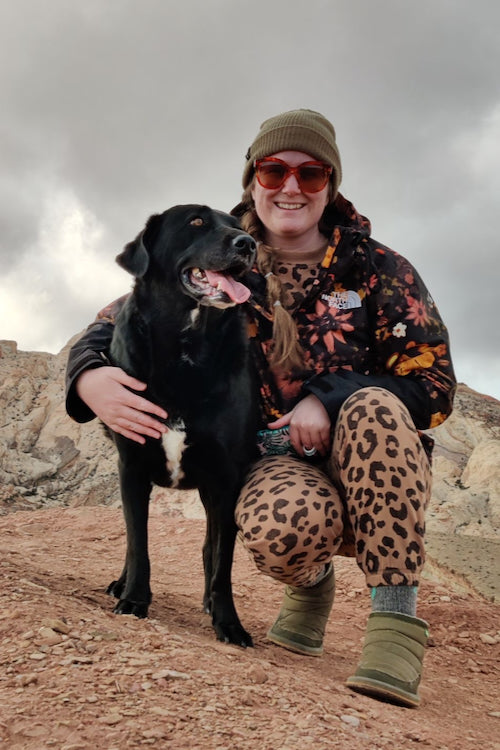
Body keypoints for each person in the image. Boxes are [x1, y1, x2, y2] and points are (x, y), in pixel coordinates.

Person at [65, 109, 456, 708]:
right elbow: (126, 314)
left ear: (332, 183)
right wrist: (89, 376)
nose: (291, 187)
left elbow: (433, 382)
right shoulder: (218, 261)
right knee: (280, 527)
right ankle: (310, 584)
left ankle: (394, 626)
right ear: (253, 180)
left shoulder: (381, 270)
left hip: (373, 462)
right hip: (275, 462)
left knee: (373, 405)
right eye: (273, 172)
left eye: (311, 172)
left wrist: (329, 400)